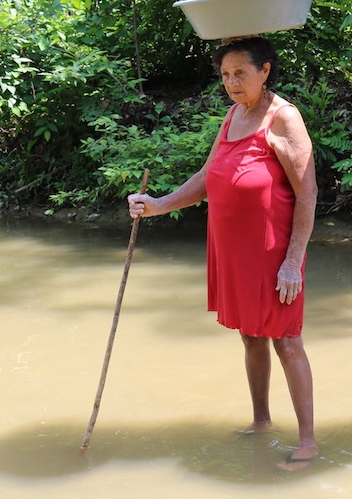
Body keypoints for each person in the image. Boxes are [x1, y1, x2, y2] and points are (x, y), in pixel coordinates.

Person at [127, 35, 318, 471]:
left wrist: (293, 262)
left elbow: (307, 192)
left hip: (273, 252)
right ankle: (262, 420)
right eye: (226, 75)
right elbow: (207, 175)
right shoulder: (234, 114)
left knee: (286, 341)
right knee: (250, 336)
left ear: (265, 70)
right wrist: (159, 204)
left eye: (241, 73)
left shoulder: (284, 117)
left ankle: (308, 442)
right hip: (233, 251)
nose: (232, 82)